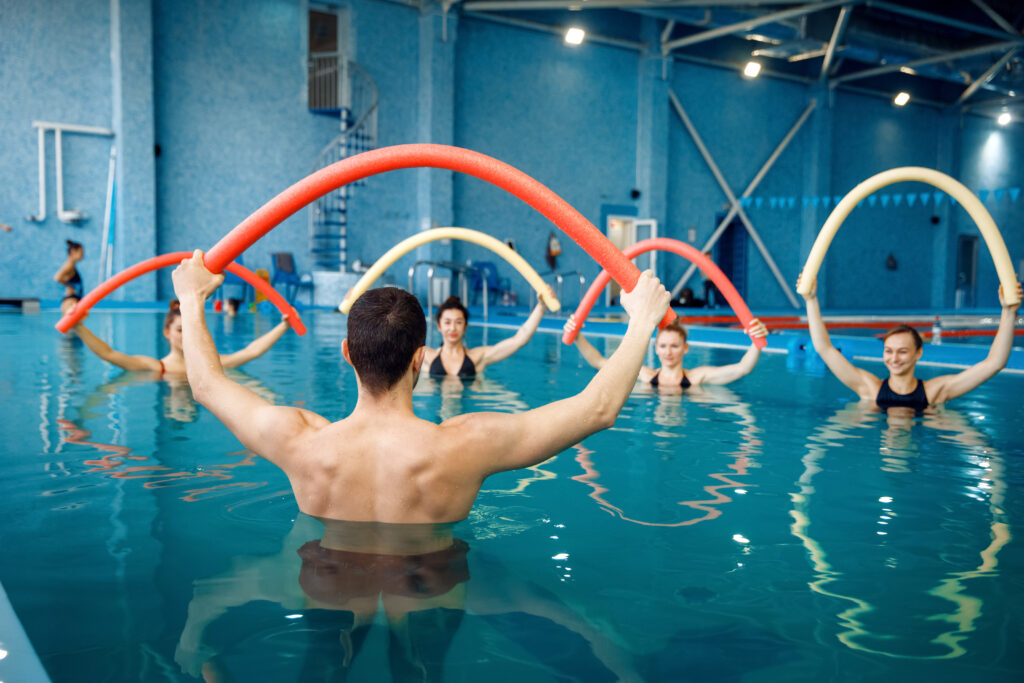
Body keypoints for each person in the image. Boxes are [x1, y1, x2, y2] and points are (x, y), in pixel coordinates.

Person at [170, 249, 671, 523]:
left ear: (347, 354)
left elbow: (206, 384)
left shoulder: (298, 439)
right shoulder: (465, 444)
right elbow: (598, 408)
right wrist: (642, 322)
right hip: (429, 585)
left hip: (328, 582)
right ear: (419, 359)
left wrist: (192, 300)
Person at [798, 274, 1022, 412]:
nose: (894, 358)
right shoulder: (870, 389)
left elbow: (995, 364)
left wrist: (1009, 312)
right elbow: (824, 349)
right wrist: (811, 299)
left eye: (903, 352)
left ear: (918, 354)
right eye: (889, 351)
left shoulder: (936, 392)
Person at [71, 300, 291, 376]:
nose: (186, 337)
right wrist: (79, 327)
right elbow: (107, 353)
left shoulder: (210, 364)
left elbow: (251, 352)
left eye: (190, 329)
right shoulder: (155, 368)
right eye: (179, 330)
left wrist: (284, 325)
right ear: (167, 333)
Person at [563, 315, 768, 390]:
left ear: (685, 348)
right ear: (656, 349)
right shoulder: (645, 375)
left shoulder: (697, 377)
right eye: (663, 346)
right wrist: (577, 335)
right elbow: (599, 362)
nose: (668, 352)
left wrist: (756, 340)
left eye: (675, 346)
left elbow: (743, 368)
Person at [422, 294, 549, 378]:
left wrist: (541, 306)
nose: (453, 328)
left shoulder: (478, 357)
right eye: (447, 322)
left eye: (458, 322)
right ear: (439, 325)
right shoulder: (425, 356)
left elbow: (519, 340)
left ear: (465, 326)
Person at [54, 239, 84, 314]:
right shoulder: (69, 265)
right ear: (73, 252)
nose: (83, 255)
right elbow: (57, 277)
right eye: (81, 252)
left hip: (72, 300)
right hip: (70, 301)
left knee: (75, 324)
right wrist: (70, 286)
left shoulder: (71, 265)